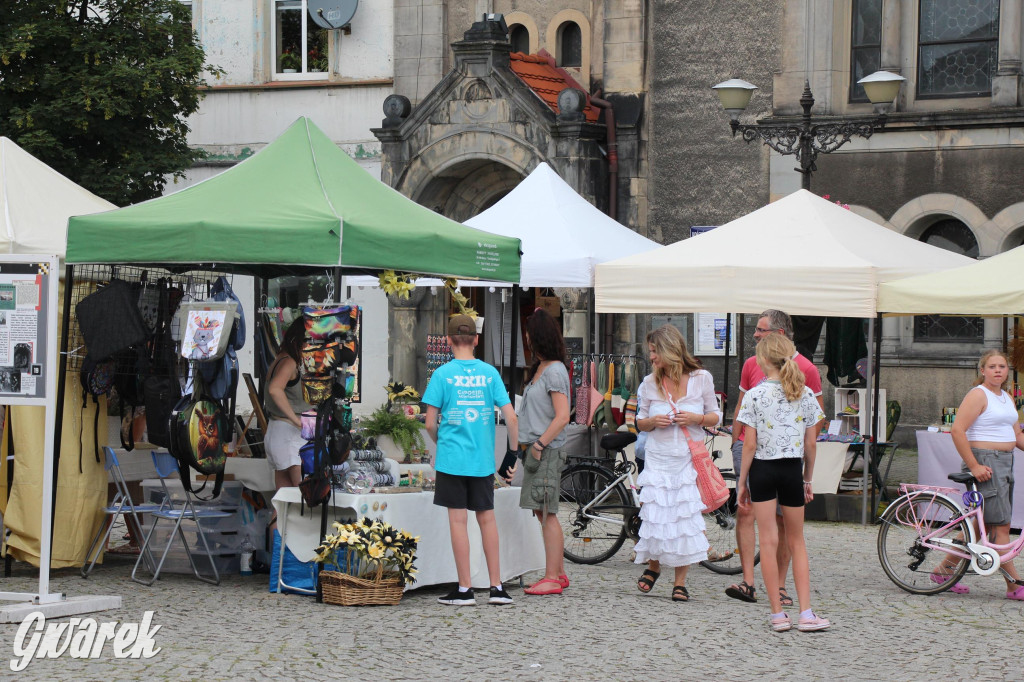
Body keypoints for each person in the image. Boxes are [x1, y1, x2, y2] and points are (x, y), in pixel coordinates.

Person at [726, 310, 824, 606]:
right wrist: (734, 442)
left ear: (778, 336)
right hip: (779, 461)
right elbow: (742, 409)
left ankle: (778, 595)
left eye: (760, 330)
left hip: (766, 461)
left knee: (779, 529)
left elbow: (815, 422)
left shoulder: (807, 372)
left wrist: (741, 481)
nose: (755, 335)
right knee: (765, 523)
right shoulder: (753, 369)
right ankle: (750, 583)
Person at [424, 314, 519, 606]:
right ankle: (497, 587)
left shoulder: (441, 375)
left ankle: (464, 589)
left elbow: (429, 423)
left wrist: (443, 442)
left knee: (457, 520)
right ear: (476, 340)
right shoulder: (490, 374)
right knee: (487, 520)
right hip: (482, 460)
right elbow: (511, 417)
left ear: (449, 341)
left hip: (452, 460)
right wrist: (511, 454)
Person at [634, 325, 721, 602]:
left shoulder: (701, 378)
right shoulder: (649, 383)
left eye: (654, 351)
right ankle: (654, 566)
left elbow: (715, 416)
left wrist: (695, 419)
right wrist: (652, 423)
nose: (651, 358)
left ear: (669, 350)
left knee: (684, 518)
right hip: (658, 458)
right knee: (656, 515)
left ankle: (680, 581)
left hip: (686, 458)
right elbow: (638, 422)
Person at [936, 349, 1024, 598]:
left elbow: (1016, 435)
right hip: (985, 461)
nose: (998, 370)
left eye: (1003, 366)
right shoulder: (978, 394)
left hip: (1005, 461)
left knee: (982, 522)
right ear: (982, 370)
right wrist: (973, 465)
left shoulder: (1006, 397)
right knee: (1000, 524)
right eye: (992, 366)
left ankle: (943, 571)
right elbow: (958, 430)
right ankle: (1014, 584)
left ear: (1008, 371)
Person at [516, 309, 572, 595]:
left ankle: (551, 576)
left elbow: (562, 415)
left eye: (529, 334)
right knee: (541, 510)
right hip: (536, 449)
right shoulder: (541, 368)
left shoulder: (555, 371)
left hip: (546, 450)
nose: (526, 339)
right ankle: (558, 573)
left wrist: (539, 445)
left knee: (547, 511)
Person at [265, 319, 309, 494]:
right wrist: (297, 421)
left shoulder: (279, 359)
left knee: (283, 501)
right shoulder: (289, 362)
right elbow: (275, 389)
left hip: (277, 432)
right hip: (289, 434)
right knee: (305, 497)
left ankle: (276, 523)